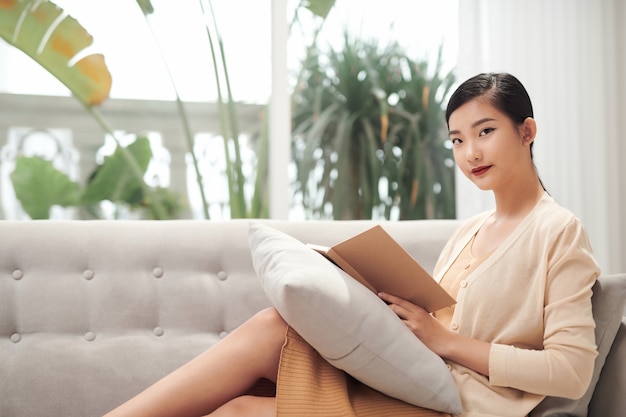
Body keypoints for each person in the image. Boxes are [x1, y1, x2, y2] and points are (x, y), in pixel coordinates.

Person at [102, 72, 599, 417]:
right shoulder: (469, 230)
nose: (470, 153)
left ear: (526, 131)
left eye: (485, 132)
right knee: (272, 331)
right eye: (456, 140)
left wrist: (445, 340)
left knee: (238, 407)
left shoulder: (559, 231)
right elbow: (436, 322)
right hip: (415, 380)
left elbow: (571, 370)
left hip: (455, 406)